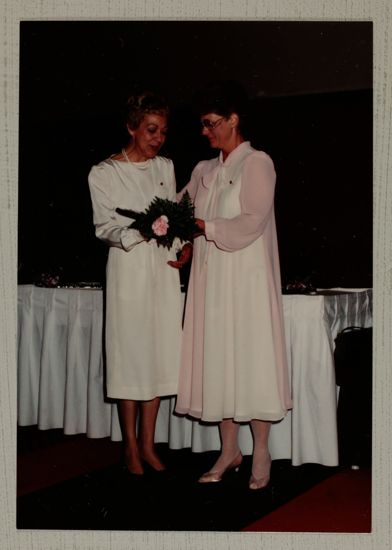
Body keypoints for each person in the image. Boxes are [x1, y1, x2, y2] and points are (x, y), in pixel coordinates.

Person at [174, 82, 292, 490]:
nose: (204, 132)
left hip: (246, 281)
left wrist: (206, 227)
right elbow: (179, 210)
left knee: (250, 358)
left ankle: (260, 449)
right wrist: (183, 239)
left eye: (210, 124)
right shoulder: (204, 170)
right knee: (218, 358)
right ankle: (229, 450)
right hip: (211, 282)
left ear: (233, 119)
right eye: (203, 124)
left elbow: (252, 221)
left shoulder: (257, 163)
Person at [88, 90, 183, 476]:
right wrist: (141, 230)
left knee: (158, 354)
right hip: (128, 269)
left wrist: (183, 242)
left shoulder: (166, 166)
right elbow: (104, 228)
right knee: (131, 357)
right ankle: (129, 445)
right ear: (131, 127)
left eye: (162, 131)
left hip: (161, 270)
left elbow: (175, 215)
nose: (157, 139)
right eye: (150, 130)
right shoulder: (104, 172)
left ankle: (149, 443)